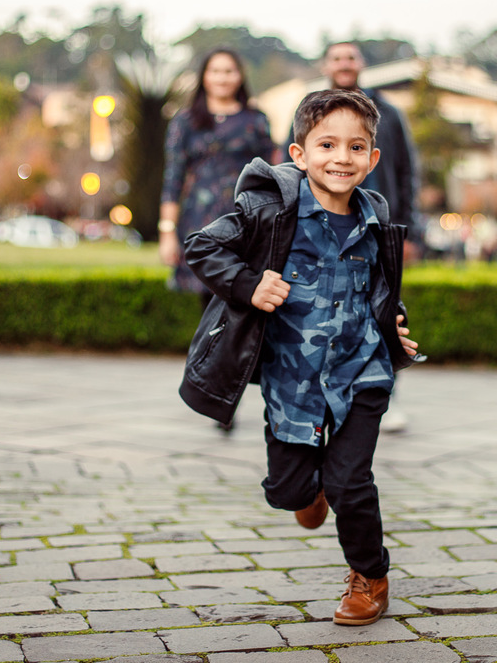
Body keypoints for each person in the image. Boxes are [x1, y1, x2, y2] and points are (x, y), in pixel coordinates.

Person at [179, 89, 422, 626]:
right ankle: (309, 490)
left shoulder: (375, 216)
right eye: (327, 145)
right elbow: (200, 245)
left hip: (362, 374)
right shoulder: (270, 211)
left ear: (372, 159)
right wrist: (249, 284)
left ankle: (370, 577)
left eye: (356, 147)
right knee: (288, 492)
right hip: (293, 381)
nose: (341, 158)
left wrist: (395, 328)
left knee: (350, 482)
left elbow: (380, 290)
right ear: (299, 153)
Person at [287, 41, 422, 432]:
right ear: (326, 65)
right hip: (319, 227)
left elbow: (407, 172)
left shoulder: (389, 115)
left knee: (384, 308)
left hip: (377, 227)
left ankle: (385, 395)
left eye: (351, 57)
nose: (344, 63)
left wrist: (408, 230)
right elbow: (287, 167)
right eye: (337, 58)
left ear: (360, 64)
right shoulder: (308, 111)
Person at [160, 48, 275, 309]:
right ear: (204, 76)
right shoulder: (185, 121)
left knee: (245, 293)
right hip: (199, 221)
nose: (222, 78)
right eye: (215, 71)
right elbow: (172, 179)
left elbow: (271, 174)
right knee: (208, 298)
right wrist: (167, 232)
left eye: (229, 71)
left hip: (245, 219)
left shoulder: (256, 120)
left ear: (240, 76)